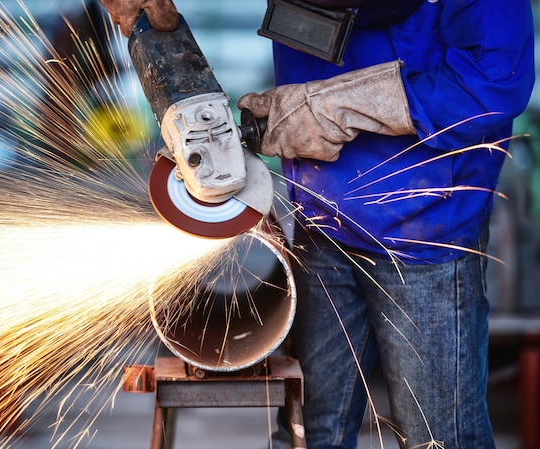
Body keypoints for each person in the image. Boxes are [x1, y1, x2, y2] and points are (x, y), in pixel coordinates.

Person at [99, 1, 536, 448]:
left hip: (423, 234)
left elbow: (494, 82)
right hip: (322, 220)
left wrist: (336, 106)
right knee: (309, 432)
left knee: (440, 440)